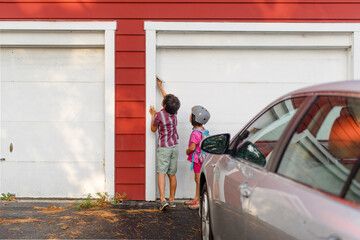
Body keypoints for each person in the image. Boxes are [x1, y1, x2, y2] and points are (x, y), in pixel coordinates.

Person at [149, 78, 181, 211]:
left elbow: (153, 129)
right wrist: (161, 88)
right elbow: (168, 101)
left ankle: (162, 200)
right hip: (174, 147)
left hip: (164, 148)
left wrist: (152, 115)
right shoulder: (174, 112)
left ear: (163, 105)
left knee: (161, 172)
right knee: (172, 174)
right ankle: (172, 199)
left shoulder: (159, 115)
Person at [185, 105, 210, 210]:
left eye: (192, 115)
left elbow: (192, 147)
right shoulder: (203, 130)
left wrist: (187, 151)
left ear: (195, 118)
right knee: (198, 180)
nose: (190, 116)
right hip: (202, 159)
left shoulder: (195, 133)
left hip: (196, 160)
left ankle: (199, 201)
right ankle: (196, 197)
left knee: (198, 179)